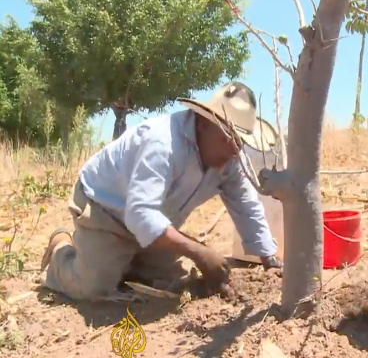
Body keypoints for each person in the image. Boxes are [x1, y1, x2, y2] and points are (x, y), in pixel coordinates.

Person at [40, 82, 283, 300]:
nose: (234, 150)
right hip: (104, 208)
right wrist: (199, 252)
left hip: (151, 219)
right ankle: (61, 248)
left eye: (239, 142)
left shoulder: (228, 160)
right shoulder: (163, 143)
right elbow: (140, 214)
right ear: (204, 124)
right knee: (93, 288)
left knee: (169, 282)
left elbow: (246, 205)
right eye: (228, 139)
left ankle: (125, 259)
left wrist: (268, 258)